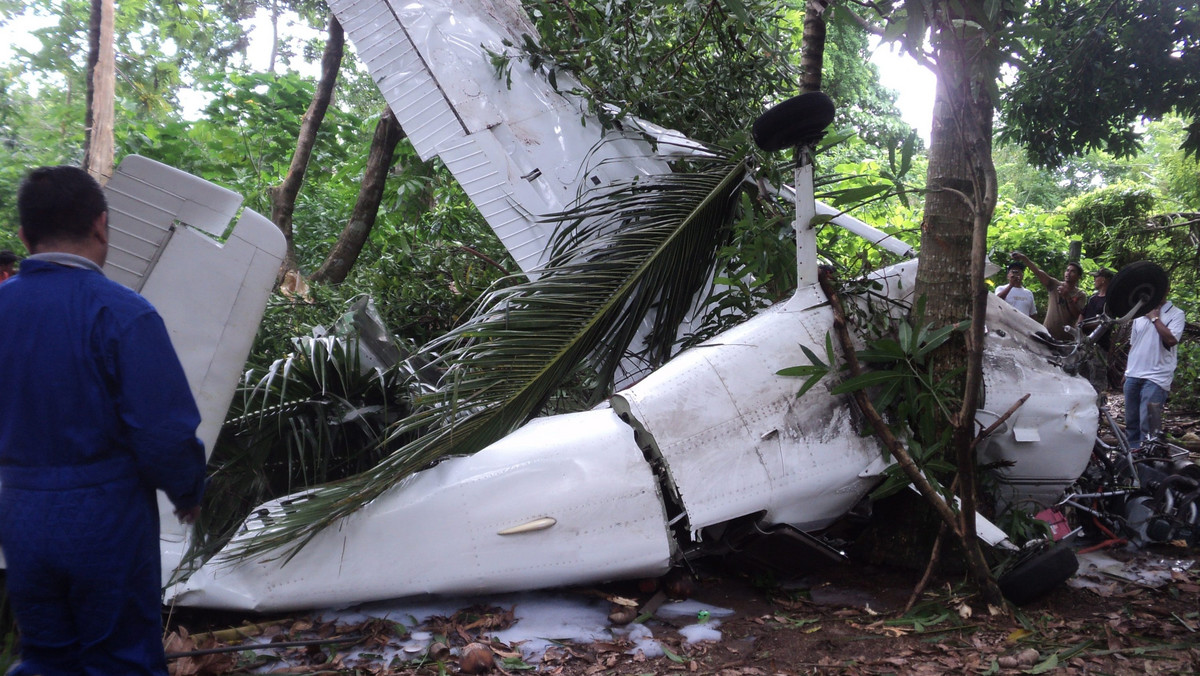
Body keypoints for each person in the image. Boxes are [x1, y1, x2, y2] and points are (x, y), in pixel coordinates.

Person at [0, 166, 207, 675]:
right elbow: (162, 430)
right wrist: (187, 492)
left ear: (24, 235)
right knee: (122, 660)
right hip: (104, 515)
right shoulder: (122, 314)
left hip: (21, 513)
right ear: (101, 224)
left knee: (48, 657)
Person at [1123, 293, 1186, 448]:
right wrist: (1127, 371)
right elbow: (1134, 344)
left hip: (1156, 378)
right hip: (1133, 374)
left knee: (1149, 426)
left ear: (1166, 289)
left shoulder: (1176, 313)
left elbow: (1171, 340)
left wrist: (1154, 318)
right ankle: (1132, 461)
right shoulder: (1139, 315)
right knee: (1131, 423)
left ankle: (1148, 462)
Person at [1010, 252, 1087, 341]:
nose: (1068, 273)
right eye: (1067, 270)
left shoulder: (1081, 294)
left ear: (1079, 277)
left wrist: (1067, 297)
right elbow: (1038, 272)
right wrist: (1024, 258)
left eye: (1072, 271)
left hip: (1066, 338)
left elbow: (1077, 315)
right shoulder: (1055, 285)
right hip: (1047, 334)